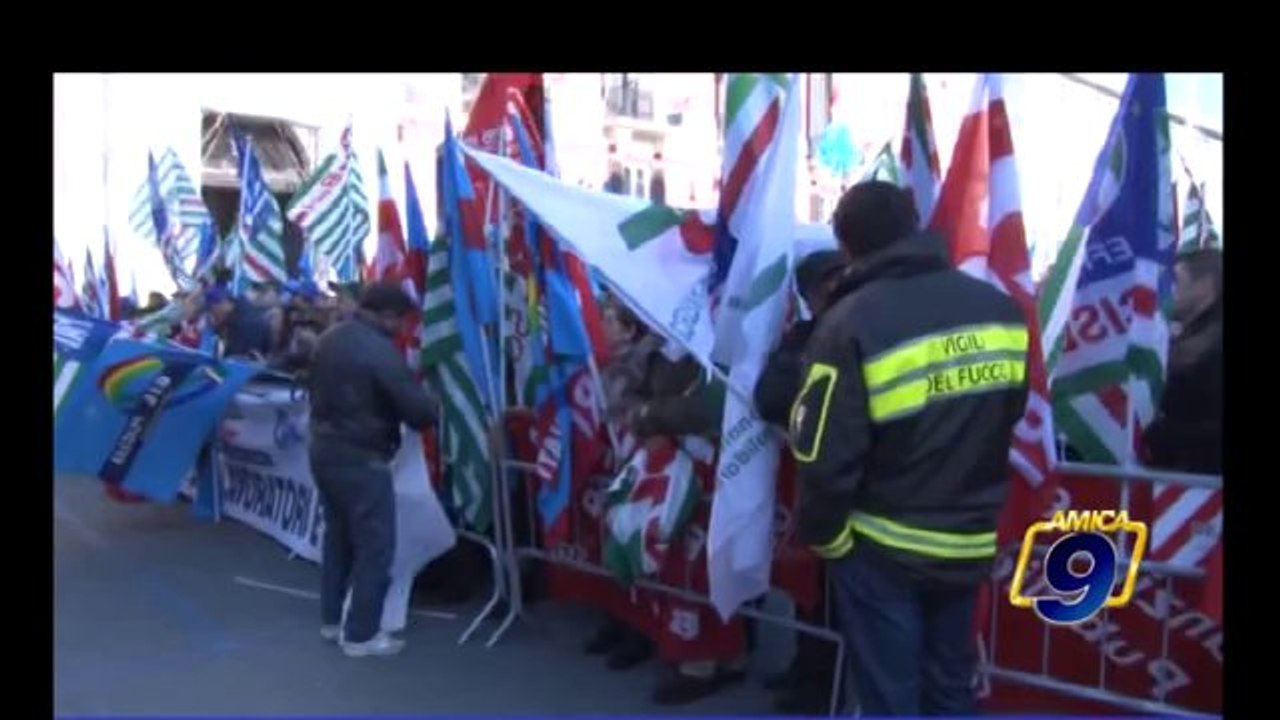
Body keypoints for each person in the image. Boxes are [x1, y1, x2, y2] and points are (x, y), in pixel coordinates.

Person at [789, 181, 1030, 716]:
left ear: (846, 244)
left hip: (883, 546)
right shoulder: (999, 309)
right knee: (950, 688)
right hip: (967, 537)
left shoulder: (849, 321)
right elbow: (1009, 415)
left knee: (889, 698)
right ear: (914, 224)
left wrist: (828, 538)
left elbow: (823, 453)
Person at [307, 281, 439, 657]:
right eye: (401, 320)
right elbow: (418, 413)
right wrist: (432, 400)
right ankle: (362, 634)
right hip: (362, 456)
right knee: (374, 546)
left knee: (338, 539)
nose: (403, 329)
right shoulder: (379, 352)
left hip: (323, 448)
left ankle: (333, 620)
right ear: (387, 315)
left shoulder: (328, 338)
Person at [752, 248, 846, 715]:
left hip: (855, 485)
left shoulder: (865, 328)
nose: (835, 289)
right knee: (810, 588)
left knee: (839, 595)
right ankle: (806, 668)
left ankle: (828, 684)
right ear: (809, 295)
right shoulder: (804, 337)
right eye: (825, 283)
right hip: (816, 480)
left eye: (840, 278)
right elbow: (769, 397)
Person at [1144, 248, 1223, 474]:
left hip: (1201, 489)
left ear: (1205, 287)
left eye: (1175, 281)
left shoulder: (1214, 349)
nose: (1164, 290)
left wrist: (1158, 434)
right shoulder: (1186, 338)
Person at [205, 286, 273, 361]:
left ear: (223, 303)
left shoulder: (243, 323)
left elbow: (234, 361)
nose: (213, 316)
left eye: (212, 311)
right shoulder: (238, 313)